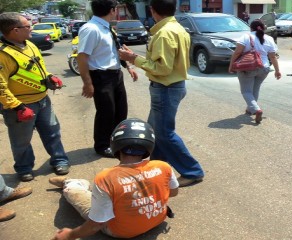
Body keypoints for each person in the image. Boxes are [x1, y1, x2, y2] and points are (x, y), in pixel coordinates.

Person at [118, 0, 204, 187]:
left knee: (164, 133)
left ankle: (192, 171)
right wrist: (136, 57)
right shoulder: (177, 28)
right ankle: (156, 167)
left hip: (166, 87)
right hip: (171, 86)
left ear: (152, 10)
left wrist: (133, 59)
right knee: (155, 131)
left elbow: (163, 69)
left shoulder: (164, 34)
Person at [50, 118, 179, 240]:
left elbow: (97, 224)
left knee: (75, 193)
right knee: (108, 194)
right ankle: (86, 187)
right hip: (157, 220)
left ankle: (71, 183)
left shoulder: (106, 178)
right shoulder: (163, 166)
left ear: (115, 144)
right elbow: (173, 192)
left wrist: (69, 235)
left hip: (120, 232)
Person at [0, 12, 70, 182]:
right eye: (28, 26)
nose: (31, 28)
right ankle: (24, 168)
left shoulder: (29, 44)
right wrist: (18, 107)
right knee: (21, 140)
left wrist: (49, 76)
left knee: (53, 132)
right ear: (15, 30)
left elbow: (38, 67)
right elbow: (1, 87)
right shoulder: (3, 54)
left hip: (43, 101)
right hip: (20, 106)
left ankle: (59, 160)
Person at [77, 0, 138, 158]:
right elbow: (82, 57)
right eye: (116, 9)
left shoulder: (106, 27)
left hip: (115, 74)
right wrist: (87, 83)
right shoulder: (91, 29)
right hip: (101, 76)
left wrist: (128, 67)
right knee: (106, 112)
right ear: (112, 10)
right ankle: (102, 145)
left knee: (120, 110)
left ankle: (117, 140)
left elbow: (114, 49)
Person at [228, 19, 281, 124]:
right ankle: (250, 109)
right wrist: (277, 71)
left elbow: (237, 52)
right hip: (264, 68)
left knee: (246, 91)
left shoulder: (246, 36)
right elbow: (273, 57)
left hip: (248, 68)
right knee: (254, 90)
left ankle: (256, 109)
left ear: (251, 28)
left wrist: (231, 65)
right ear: (263, 28)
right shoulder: (269, 39)